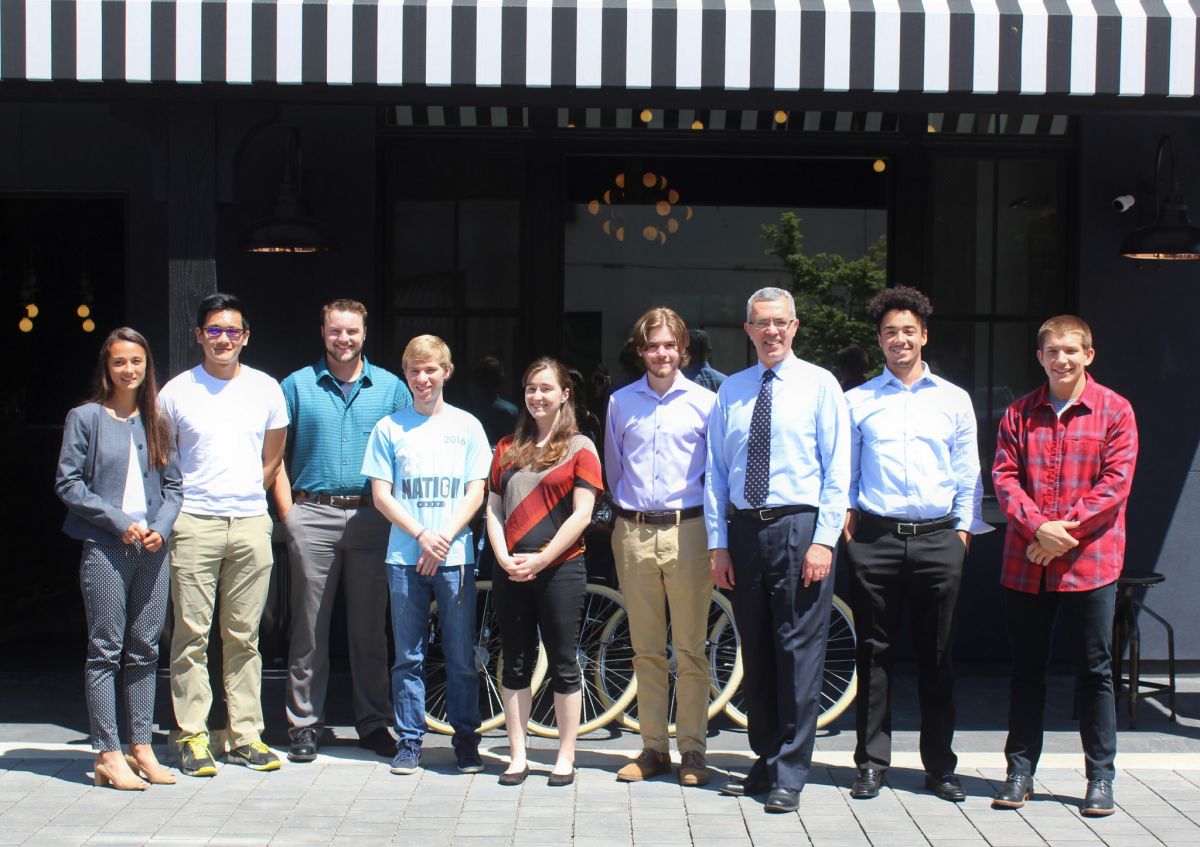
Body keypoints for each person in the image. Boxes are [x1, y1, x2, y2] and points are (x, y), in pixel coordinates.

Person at [842, 287, 991, 803]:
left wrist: (964, 531)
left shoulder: (953, 399)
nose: (899, 339)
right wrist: (847, 523)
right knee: (873, 655)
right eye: (889, 332)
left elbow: (968, 471)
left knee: (938, 656)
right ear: (879, 340)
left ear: (924, 335)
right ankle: (872, 762)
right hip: (876, 540)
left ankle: (940, 767)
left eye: (908, 330)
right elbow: (846, 471)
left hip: (937, 540)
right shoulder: (857, 400)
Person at [705, 286, 850, 813]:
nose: (771, 331)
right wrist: (718, 544)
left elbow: (838, 471)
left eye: (780, 322)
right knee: (757, 650)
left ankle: (792, 769)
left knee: (798, 652)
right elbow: (716, 475)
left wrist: (824, 540)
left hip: (799, 527)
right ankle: (764, 761)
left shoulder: (820, 385)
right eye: (761, 323)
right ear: (747, 331)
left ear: (794, 327)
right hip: (745, 531)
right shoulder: (732, 391)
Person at [991, 315, 1137, 817]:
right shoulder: (1018, 413)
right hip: (1026, 563)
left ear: (1088, 355)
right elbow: (1004, 479)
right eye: (1052, 351)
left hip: (1091, 564)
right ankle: (1019, 773)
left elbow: (1114, 485)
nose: (1062, 359)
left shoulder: (1115, 411)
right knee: (1026, 671)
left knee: (1094, 672)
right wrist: (1038, 531)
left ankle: (1100, 778)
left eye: (1071, 350)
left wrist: (1057, 536)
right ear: (1040, 357)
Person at [272, 299, 413, 763]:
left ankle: (373, 723)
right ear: (323, 332)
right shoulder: (295, 385)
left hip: (373, 517)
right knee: (309, 626)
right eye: (335, 331)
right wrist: (289, 514)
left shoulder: (391, 388)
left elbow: (408, 454)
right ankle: (304, 724)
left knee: (370, 628)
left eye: (352, 331)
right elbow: (274, 455)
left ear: (365, 333)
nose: (344, 339)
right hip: (312, 512)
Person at [160, 293, 289, 777]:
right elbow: (163, 459)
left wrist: (244, 496)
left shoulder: (266, 389)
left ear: (245, 337)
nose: (223, 339)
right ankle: (192, 734)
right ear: (198, 335)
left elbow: (273, 458)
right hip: (193, 521)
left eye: (232, 331)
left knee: (244, 635)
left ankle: (245, 735)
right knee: (190, 635)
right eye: (214, 330)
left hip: (250, 521)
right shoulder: (175, 393)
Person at [55, 328, 182, 790]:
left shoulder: (157, 420)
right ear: (106, 368)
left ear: (147, 367)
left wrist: (160, 528)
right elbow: (68, 484)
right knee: (106, 650)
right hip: (106, 548)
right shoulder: (85, 417)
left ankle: (141, 746)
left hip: (151, 549)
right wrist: (116, 521)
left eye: (137, 361)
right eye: (119, 362)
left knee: (146, 649)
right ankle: (108, 753)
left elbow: (174, 488)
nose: (129, 370)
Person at [361, 335, 490, 776]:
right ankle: (410, 740)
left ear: (446, 371)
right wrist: (421, 535)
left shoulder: (468, 427)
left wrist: (444, 537)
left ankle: (466, 740)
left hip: (454, 556)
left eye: (430, 369)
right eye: (414, 371)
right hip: (404, 556)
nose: (422, 378)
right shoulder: (389, 428)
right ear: (405, 374)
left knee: (459, 654)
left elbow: (477, 490)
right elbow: (381, 494)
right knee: (408, 656)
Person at [605, 307, 716, 787]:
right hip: (633, 532)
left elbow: (717, 477)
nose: (662, 353)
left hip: (689, 530)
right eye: (653, 345)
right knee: (645, 647)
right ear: (641, 351)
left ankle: (693, 751)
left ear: (683, 351)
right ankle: (653, 748)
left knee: (691, 647)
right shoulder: (619, 403)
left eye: (670, 345)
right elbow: (614, 472)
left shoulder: (706, 403)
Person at [486, 358, 603, 787]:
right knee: (515, 661)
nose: (538, 396)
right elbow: (493, 509)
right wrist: (502, 555)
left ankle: (565, 756)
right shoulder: (505, 448)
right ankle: (517, 755)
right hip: (511, 567)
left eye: (547, 388)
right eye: (531, 388)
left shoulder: (581, 447)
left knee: (564, 662)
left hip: (561, 568)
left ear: (564, 394)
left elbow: (582, 514)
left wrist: (541, 559)